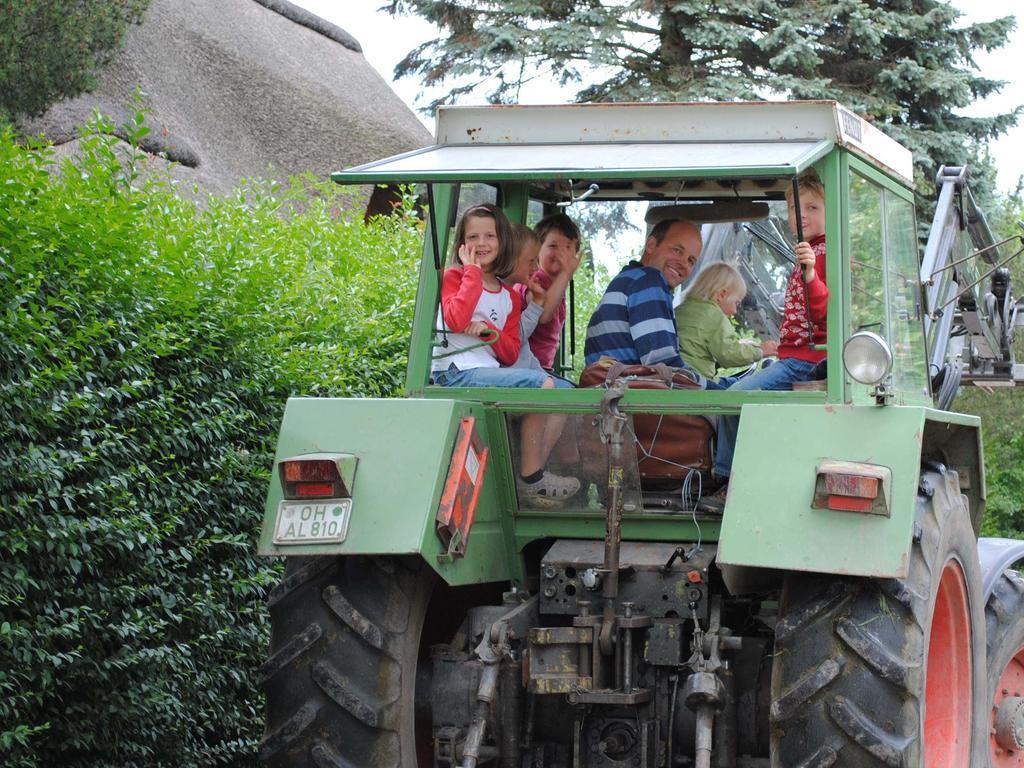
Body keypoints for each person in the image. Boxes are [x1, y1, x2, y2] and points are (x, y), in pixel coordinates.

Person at [430, 204, 580, 503]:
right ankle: (530, 478)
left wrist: (490, 333)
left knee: (564, 392)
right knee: (542, 385)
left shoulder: (509, 296)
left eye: (490, 236)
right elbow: (457, 320)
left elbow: (510, 352)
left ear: (503, 243)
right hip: (454, 372)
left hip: (486, 370)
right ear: (462, 244)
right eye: (473, 237)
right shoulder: (453, 277)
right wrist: (471, 272)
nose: (481, 243)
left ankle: (528, 470)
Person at [703, 170, 828, 510]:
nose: (801, 217)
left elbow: (822, 313)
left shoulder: (821, 256)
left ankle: (730, 482)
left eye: (813, 208)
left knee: (733, 400)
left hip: (806, 361)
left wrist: (812, 275)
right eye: (794, 209)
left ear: (831, 213)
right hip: (793, 357)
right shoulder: (808, 253)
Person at [584, 218, 703, 370]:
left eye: (691, 261)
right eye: (677, 250)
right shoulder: (648, 281)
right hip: (629, 391)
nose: (683, 264)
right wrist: (718, 388)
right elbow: (664, 367)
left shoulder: (628, 280)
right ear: (651, 245)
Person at [675, 262, 778, 384]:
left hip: (679, 376)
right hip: (696, 381)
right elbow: (728, 355)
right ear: (722, 294)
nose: (735, 311)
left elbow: (699, 343)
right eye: (736, 303)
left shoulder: (682, 309)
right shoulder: (713, 315)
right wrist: (761, 351)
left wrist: (740, 344)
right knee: (742, 392)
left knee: (732, 382)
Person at [515, 213, 582, 372]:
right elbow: (542, 315)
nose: (560, 253)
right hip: (525, 369)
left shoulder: (557, 285)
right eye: (553, 246)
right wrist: (566, 273)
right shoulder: (535, 280)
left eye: (567, 247)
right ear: (537, 250)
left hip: (543, 369)